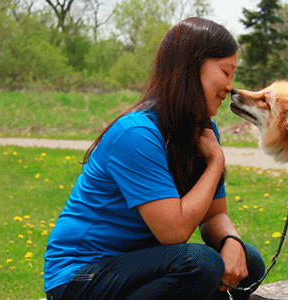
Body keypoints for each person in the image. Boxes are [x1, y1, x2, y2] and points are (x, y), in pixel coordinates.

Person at [44, 17, 265, 300]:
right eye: (225, 72)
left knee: (249, 262)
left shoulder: (203, 132)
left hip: (137, 266)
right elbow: (174, 232)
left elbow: (214, 215)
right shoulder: (137, 134)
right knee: (201, 264)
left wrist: (231, 241)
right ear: (192, 68)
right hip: (80, 275)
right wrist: (216, 162)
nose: (231, 86)